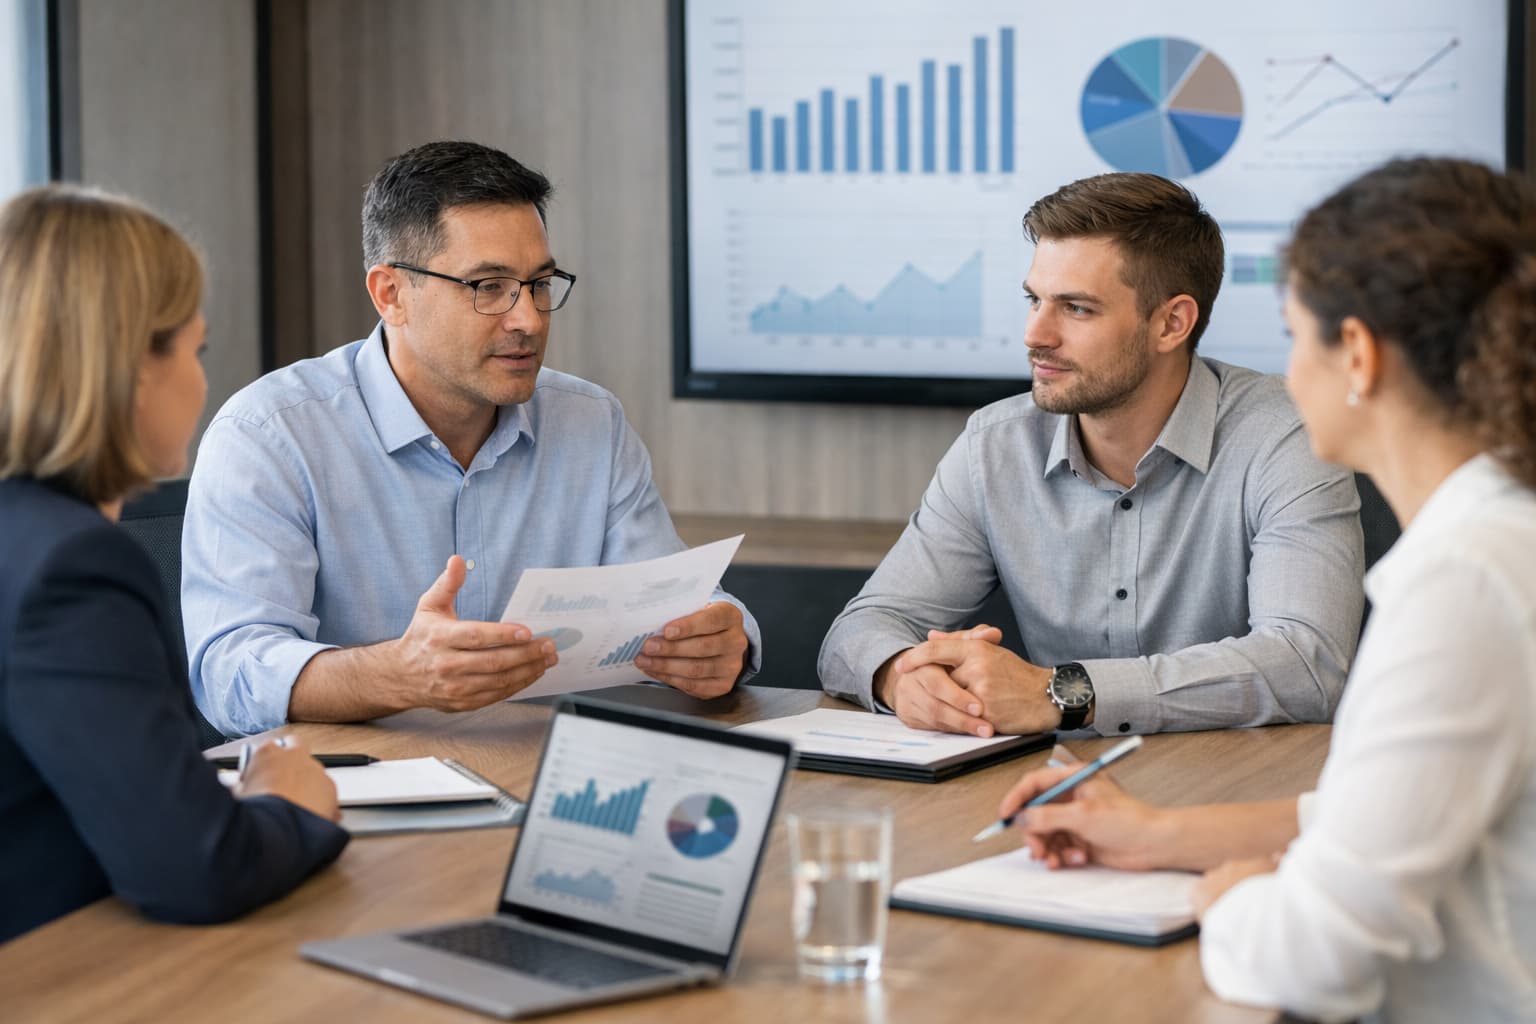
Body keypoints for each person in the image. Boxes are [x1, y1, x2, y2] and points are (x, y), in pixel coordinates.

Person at [1000, 158, 1536, 1023]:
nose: (1283, 372)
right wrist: (1159, 836)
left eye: (1294, 335)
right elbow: (1388, 811)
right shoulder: (1500, 536)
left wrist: (1233, 899)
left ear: (1356, 354)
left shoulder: (1462, 583)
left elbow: (1313, 958)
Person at [183, 141, 760, 737]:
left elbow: (673, 599)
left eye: (540, 284)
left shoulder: (591, 422)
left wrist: (722, 640)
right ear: (391, 294)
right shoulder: (272, 434)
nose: (529, 319)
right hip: (352, 796)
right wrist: (397, 675)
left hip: (547, 776)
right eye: (489, 286)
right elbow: (231, 674)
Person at [819, 172, 1364, 738]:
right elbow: (861, 631)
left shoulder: (1283, 434)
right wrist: (899, 676)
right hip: (1058, 794)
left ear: (1171, 323)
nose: (1036, 334)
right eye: (1034, 300)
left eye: (1076, 309)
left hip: (1228, 798)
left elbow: (1307, 662)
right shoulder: (994, 445)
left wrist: (1062, 693)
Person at [0, 186, 347, 943]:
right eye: (196, 350)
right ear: (131, 367)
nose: (202, 381)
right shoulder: (72, 568)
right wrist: (287, 804)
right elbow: (195, 866)